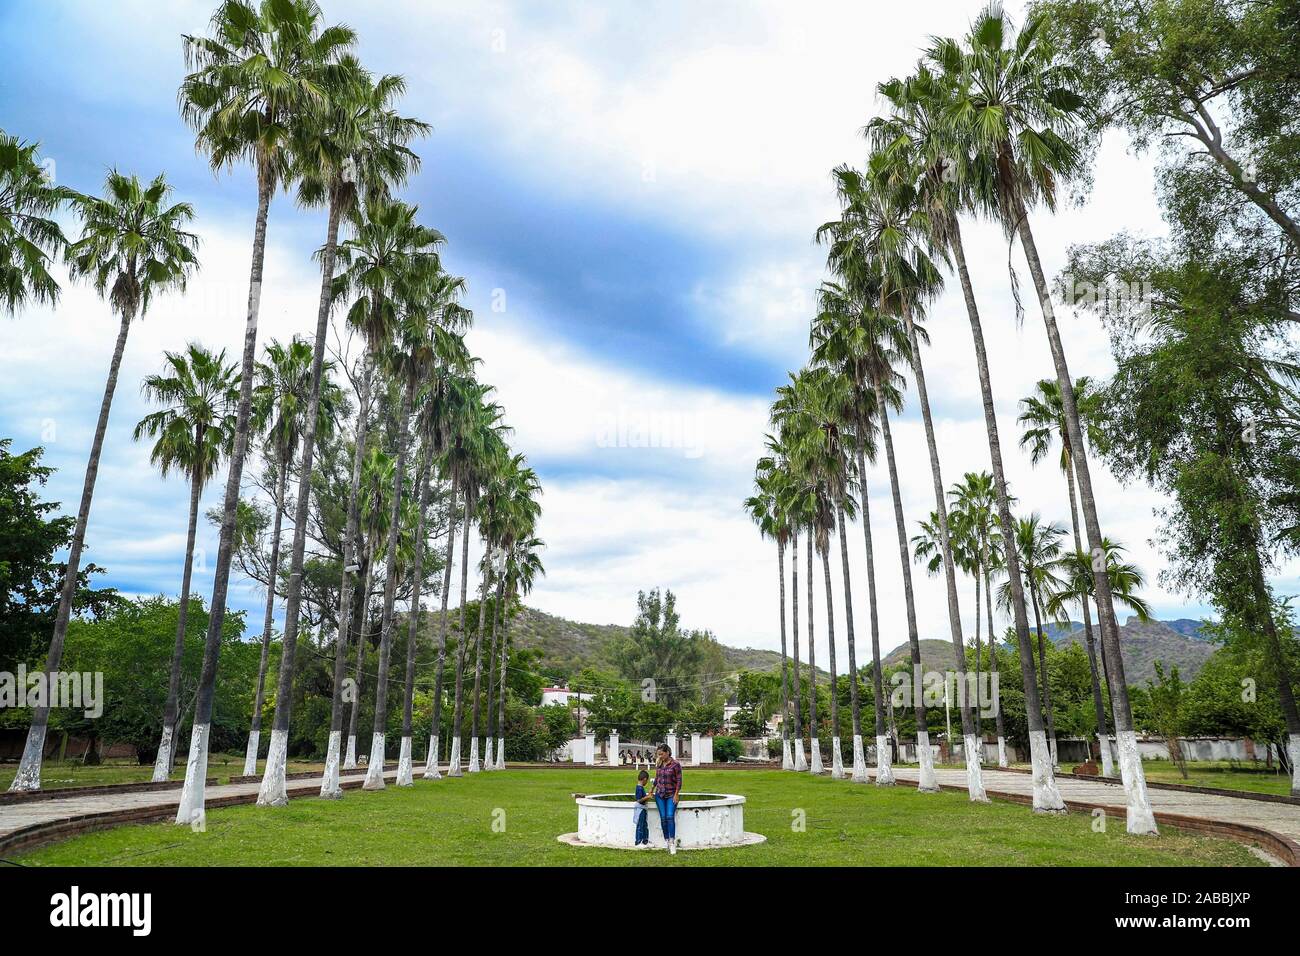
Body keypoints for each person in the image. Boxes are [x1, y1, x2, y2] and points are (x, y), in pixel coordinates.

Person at [652, 742, 682, 855]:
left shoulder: (675, 764)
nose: (660, 756)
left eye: (661, 754)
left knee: (670, 816)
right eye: (658, 754)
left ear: (667, 752)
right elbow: (657, 778)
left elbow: (679, 780)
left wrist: (676, 794)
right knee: (663, 818)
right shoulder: (659, 763)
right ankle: (666, 841)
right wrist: (651, 789)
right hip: (659, 794)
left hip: (671, 794)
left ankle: (672, 842)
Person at [632, 769, 651, 846]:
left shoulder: (640, 788)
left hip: (643, 809)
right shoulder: (639, 788)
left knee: (644, 825)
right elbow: (639, 800)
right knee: (640, 825)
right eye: (647, 781)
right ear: (645, 779)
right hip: (640, 810)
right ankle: (638, 841)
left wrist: (647, 796)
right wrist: (647, 797)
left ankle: (645, 841)